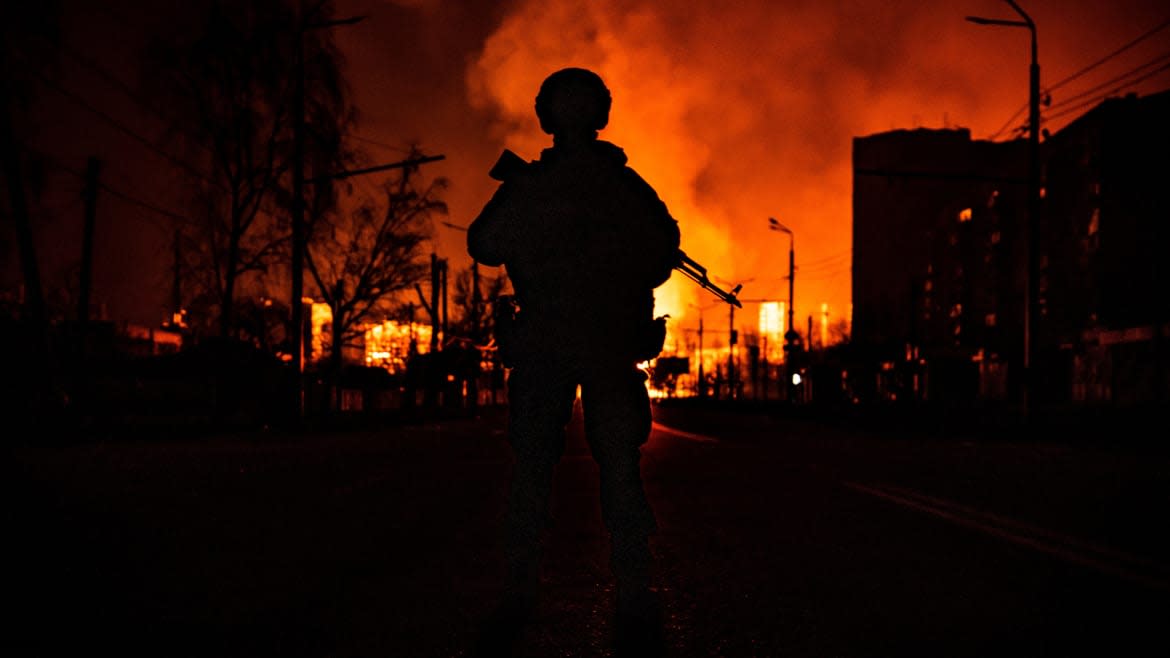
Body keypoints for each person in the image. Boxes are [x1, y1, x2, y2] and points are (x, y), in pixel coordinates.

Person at [468, 67, 680, 656]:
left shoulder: (559, 186)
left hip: (561, 344)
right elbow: (660, 254)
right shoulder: (615, 186)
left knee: (551, 465)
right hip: (590, 343)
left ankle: (527, 584)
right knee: (606, 466)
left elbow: (485, 244)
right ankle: (624, 584)